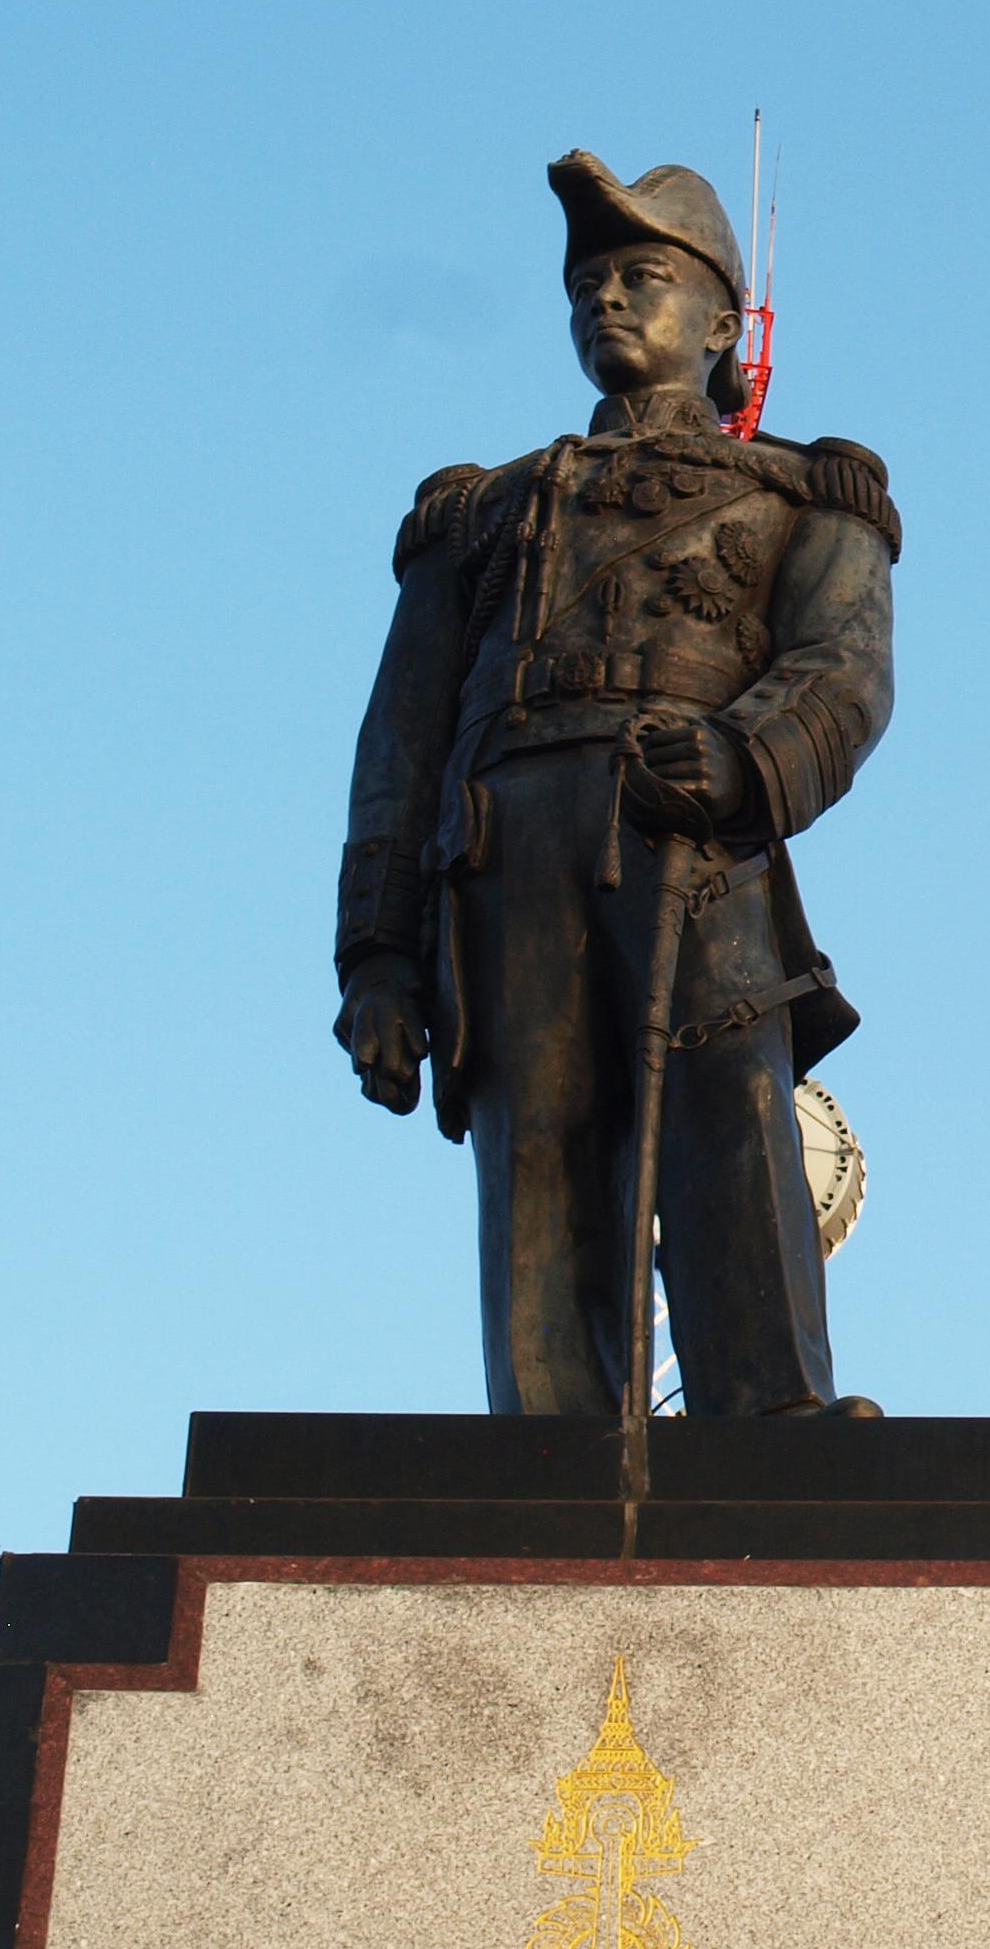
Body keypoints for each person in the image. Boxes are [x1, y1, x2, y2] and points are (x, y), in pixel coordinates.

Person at [332, 150, 899, 1418]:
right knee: (538, 1143)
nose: (607, 299)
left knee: (728, 1123)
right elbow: (400, 745)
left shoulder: (803, 496)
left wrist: (746, 757)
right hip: (503, 851)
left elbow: (842, 668)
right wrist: (376, 955)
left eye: (642, 275)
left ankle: (770, 1417)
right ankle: (551, 1432)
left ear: (718, 324)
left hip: (690, 839)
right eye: (589, 281)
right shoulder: (482, 517)